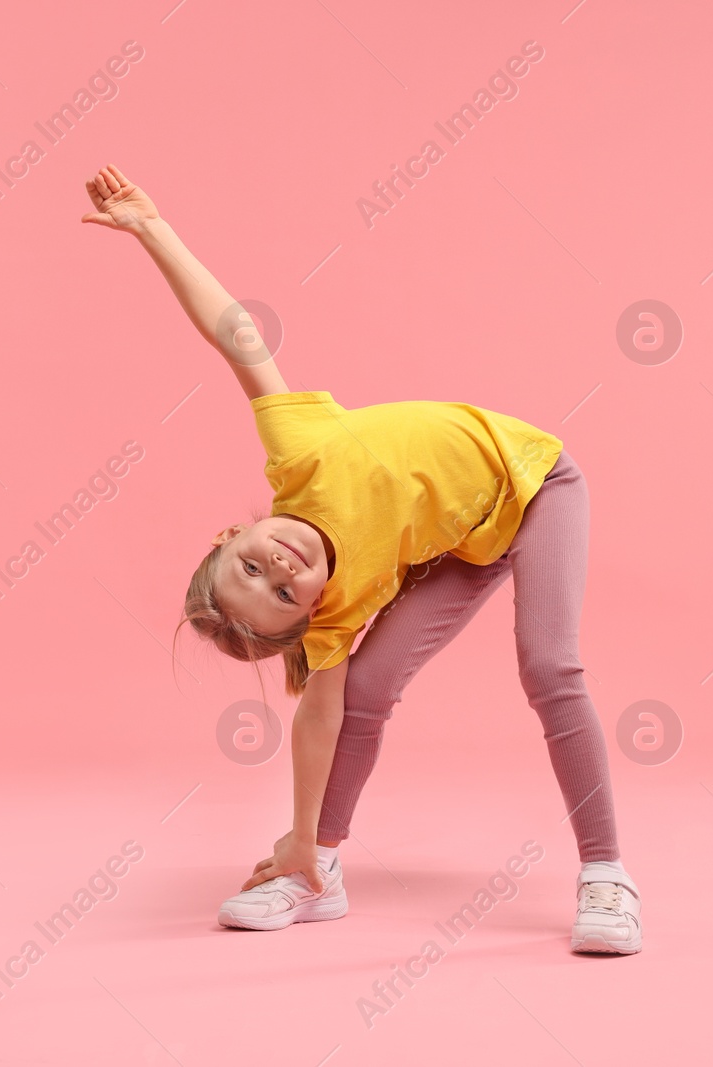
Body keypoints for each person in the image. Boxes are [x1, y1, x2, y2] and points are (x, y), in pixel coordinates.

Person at [82, 164, 642, 954]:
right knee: (364, 686)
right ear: (310, 609)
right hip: (465, 543)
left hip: (539, 484)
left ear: (228, 536)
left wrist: (151, 229)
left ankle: (607, 873)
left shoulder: (299, 454)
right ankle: (317, 872)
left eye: (252, 565)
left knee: (549, 666)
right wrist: (302, 835)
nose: (280, 565)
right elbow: (318, 717)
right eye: (283, 590)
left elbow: (235, 332)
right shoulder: (333, 614)